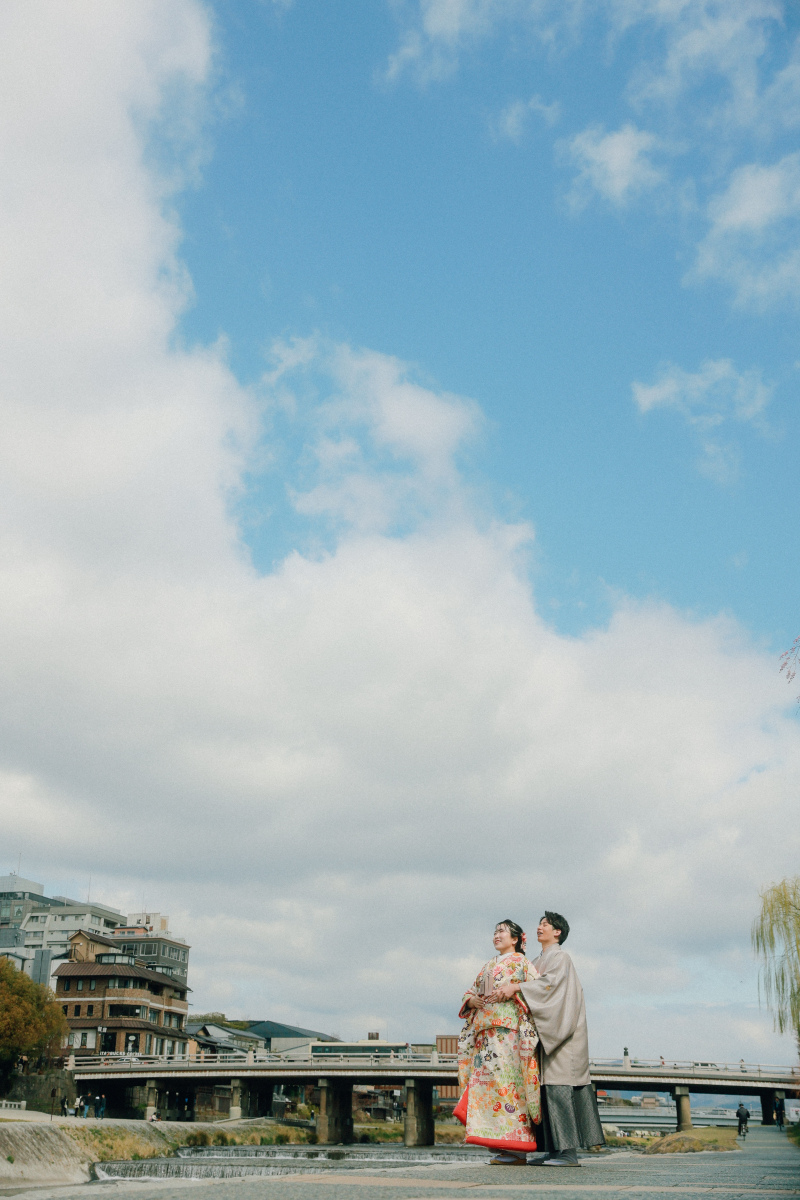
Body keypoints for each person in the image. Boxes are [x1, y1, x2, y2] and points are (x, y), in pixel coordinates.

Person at [494, 911, 605, 1167]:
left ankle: (568, 1153)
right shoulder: (537, 959)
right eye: (539, 924)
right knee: (544, 1092)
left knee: (560, 1089)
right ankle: (554, 1151)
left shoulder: (560, 957)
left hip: (563, 1035)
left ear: (558, 932)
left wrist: (518, 987)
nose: (539, 927)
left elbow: (550, 987)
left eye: (546, 924)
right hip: (546, 1036)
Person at [456, 919, 541, 1165]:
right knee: (489, 1091)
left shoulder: (523, 963)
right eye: (495, 931)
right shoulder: (487, 965)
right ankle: (501, 1145)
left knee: (511, 1088)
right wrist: (471, 1001)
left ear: (515, 939)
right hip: (485, 1035)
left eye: (502, 931)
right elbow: (469, 992)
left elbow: (539, 986)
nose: (497, 935)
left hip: (509, 1033)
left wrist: (514, 988)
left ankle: (517, 1147)